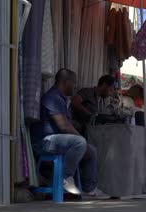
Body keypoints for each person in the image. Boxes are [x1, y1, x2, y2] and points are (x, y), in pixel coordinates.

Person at [34, 68, 109, 199]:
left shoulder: (61, 99)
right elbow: (63, 126)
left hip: (58, 142)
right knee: (80, 142)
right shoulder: (52, 97)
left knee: (92, 151)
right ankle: (65, 178)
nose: (75, 86)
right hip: (46, 142)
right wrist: (81, 139)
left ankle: (88, 188)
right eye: (74, 83)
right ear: (66, 82)